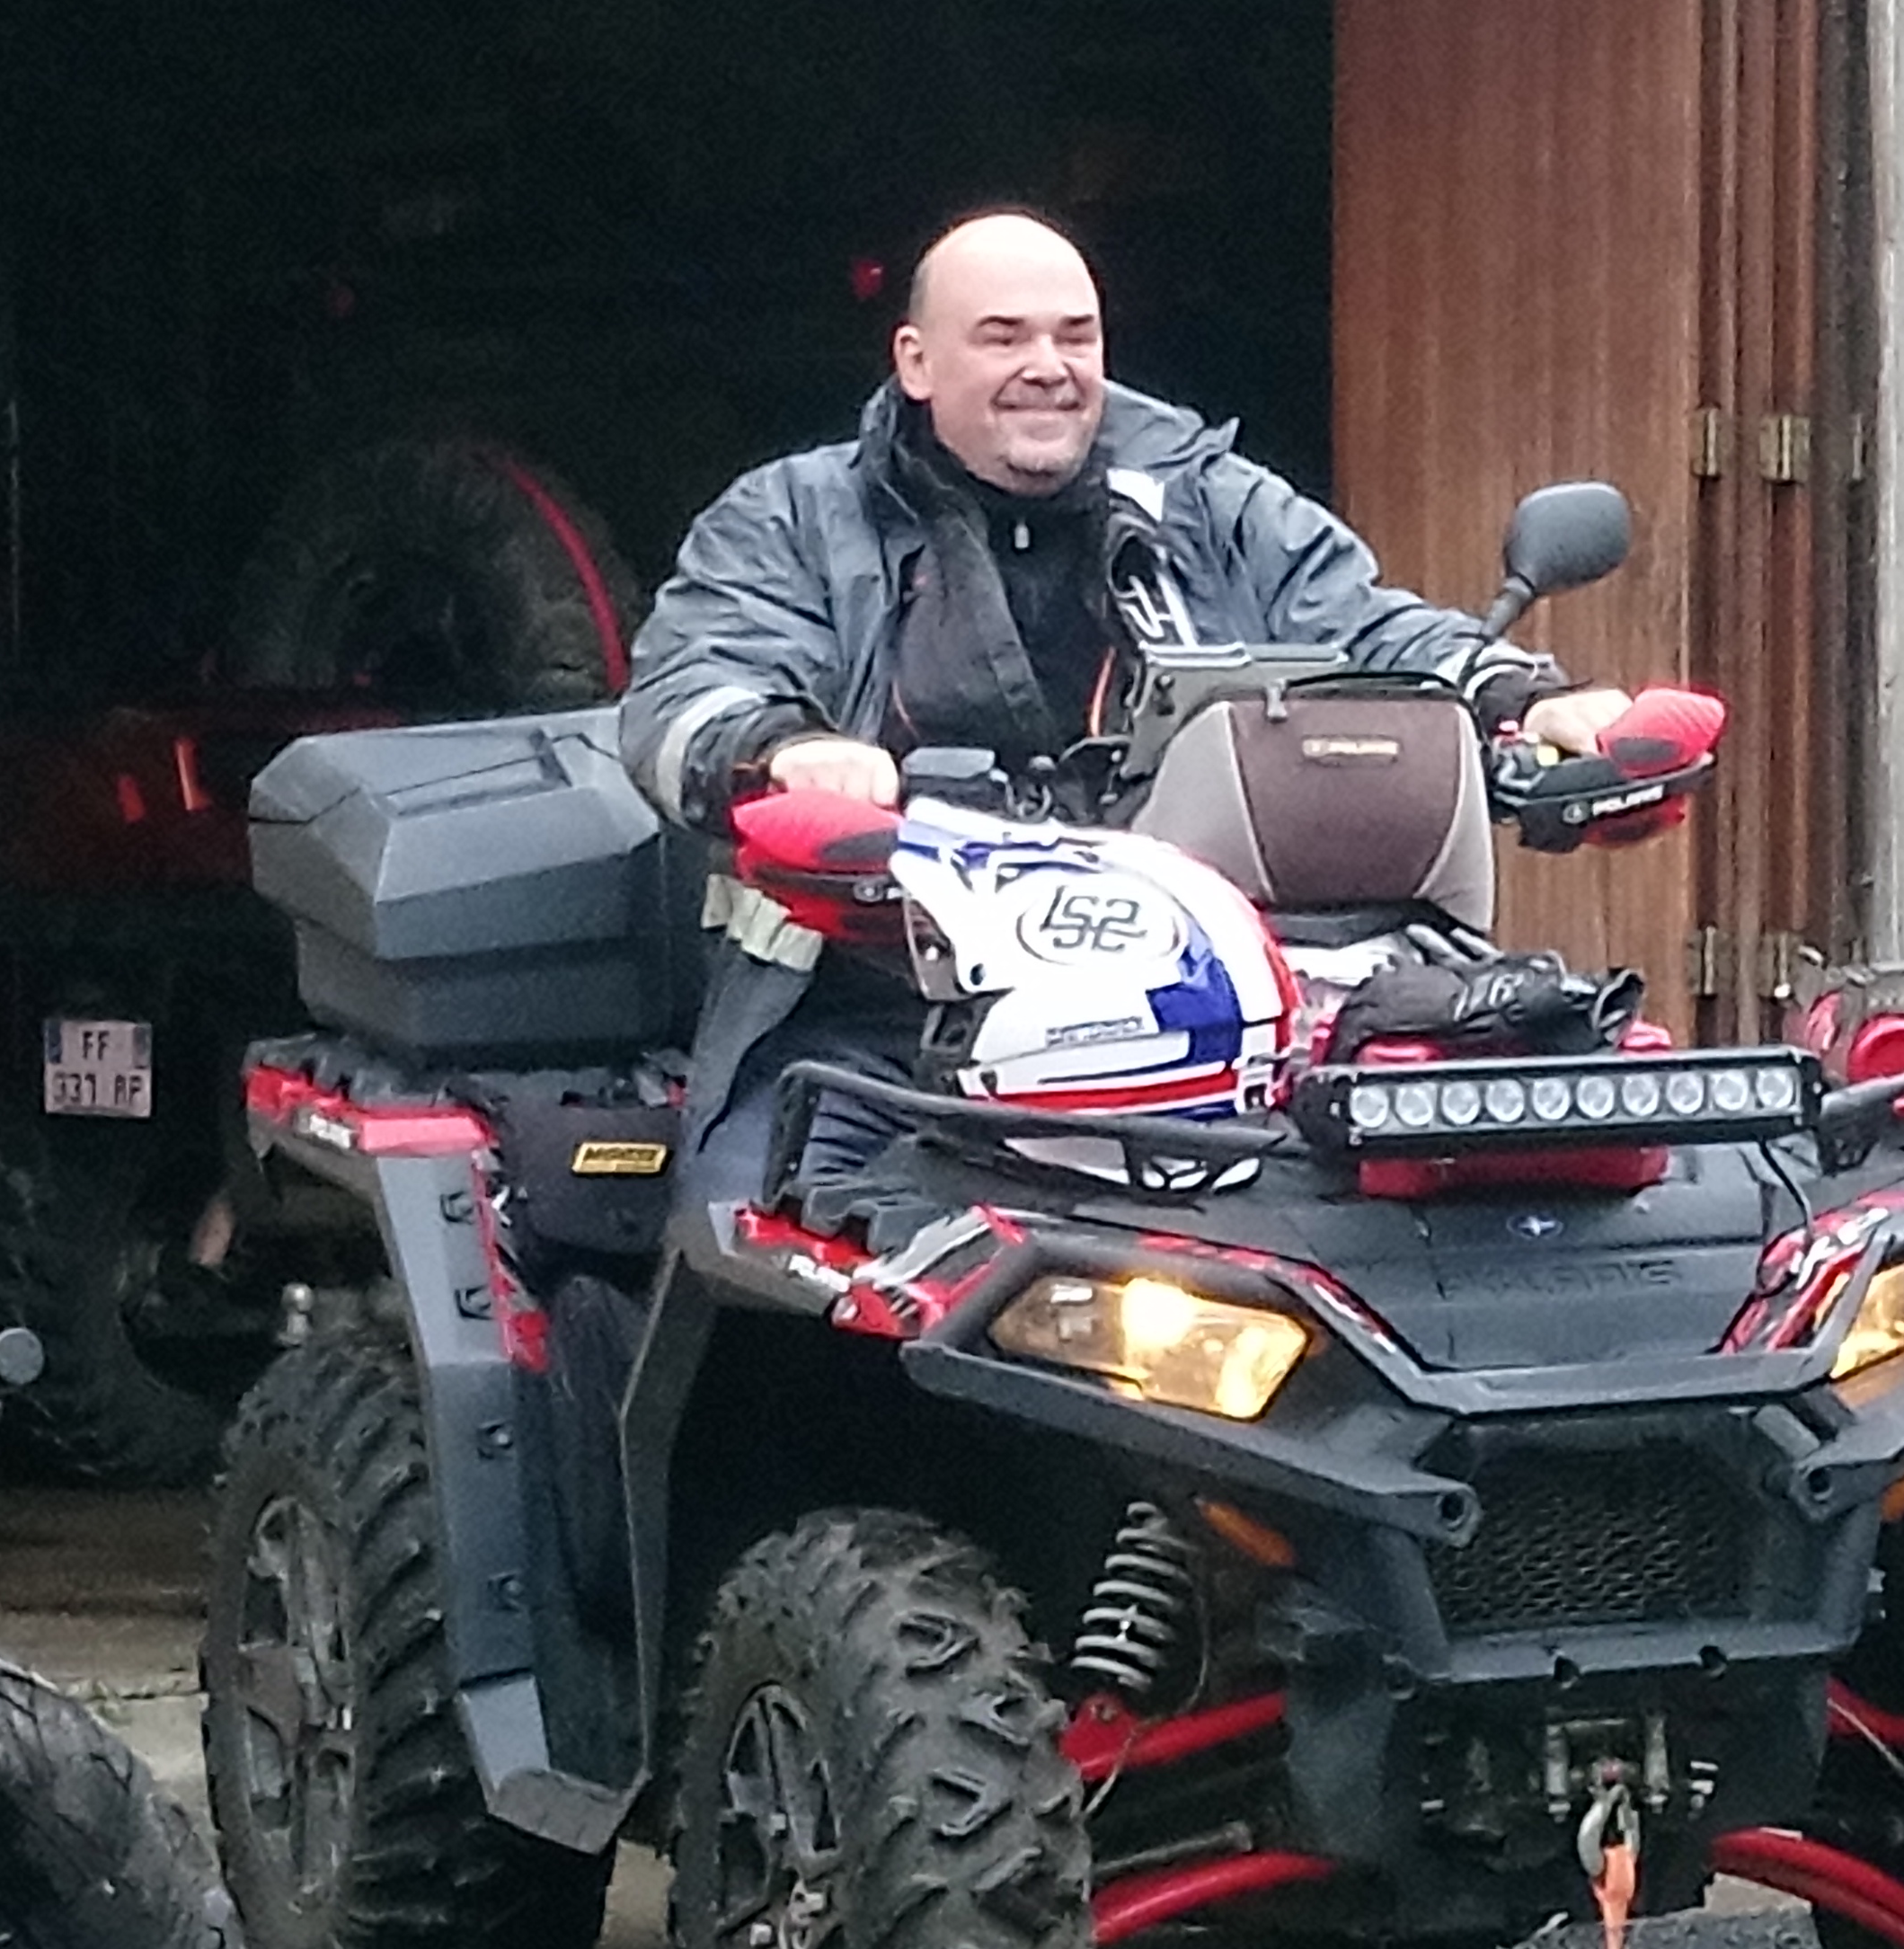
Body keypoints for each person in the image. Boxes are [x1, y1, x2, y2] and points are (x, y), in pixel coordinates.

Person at [619, 209, 1634, 1220]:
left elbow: (1366, 626)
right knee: (747, 1248)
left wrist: (1527, 700)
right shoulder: (791, 518)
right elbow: (690, 690)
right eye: (1004, 337)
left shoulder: (1208, 500)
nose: (1048, 367)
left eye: (1075, 335)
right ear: (916, 362)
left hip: (1204, 1026)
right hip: (878, 1021)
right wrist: (782, 751)